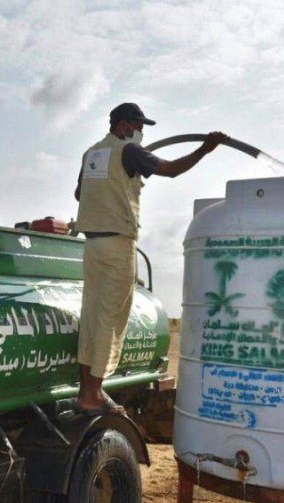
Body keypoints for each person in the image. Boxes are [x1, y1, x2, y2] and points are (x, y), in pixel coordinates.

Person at [73, 102, 228, 415]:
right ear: (125, 125)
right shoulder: (129, 150)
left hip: (91, 244)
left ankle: (84, 392)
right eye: (138, 125)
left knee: (91, 314)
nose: (140, 132)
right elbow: (170, 170)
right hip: (117, 243)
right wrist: (205, 149)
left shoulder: (91, 153)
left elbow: (80, 194)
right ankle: (95, 394)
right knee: (111, 317)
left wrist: (118, 184)